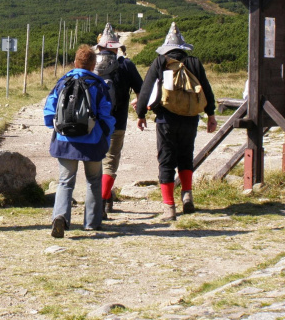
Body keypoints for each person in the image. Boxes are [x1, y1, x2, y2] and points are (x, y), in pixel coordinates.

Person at [134, 22, 217, 221]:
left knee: (166, 160)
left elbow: (146, 90)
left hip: (165, 119)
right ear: (183, 46)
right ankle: (187, 195)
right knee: (186, 156)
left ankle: (169, 207)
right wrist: (211, 115)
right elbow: (205, 89)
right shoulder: (194, 63)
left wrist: (141, 114)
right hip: (190, 118)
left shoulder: (160, 62)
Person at [44, 44, 115, 238]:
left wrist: (58, 128)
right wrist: (106, 136)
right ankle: (91, 222)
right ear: (93, 65)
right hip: (92, 142)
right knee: (93, 180)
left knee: (65, 181)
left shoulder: (62, 82)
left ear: (75, 62)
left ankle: (60, 217)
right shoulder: (99, 84)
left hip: (65, 141)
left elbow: (49, 111)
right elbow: (106, 116)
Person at [93, 24, 143, 218]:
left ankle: (98, 201)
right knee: (110, 162)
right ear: (116, 47)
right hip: (117, 122)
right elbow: (141, 90)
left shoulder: (91, 64)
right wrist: (139, 109)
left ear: (100, 46)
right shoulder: (126, 65)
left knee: (94, 161)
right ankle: (103, 202)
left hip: (92, 123)